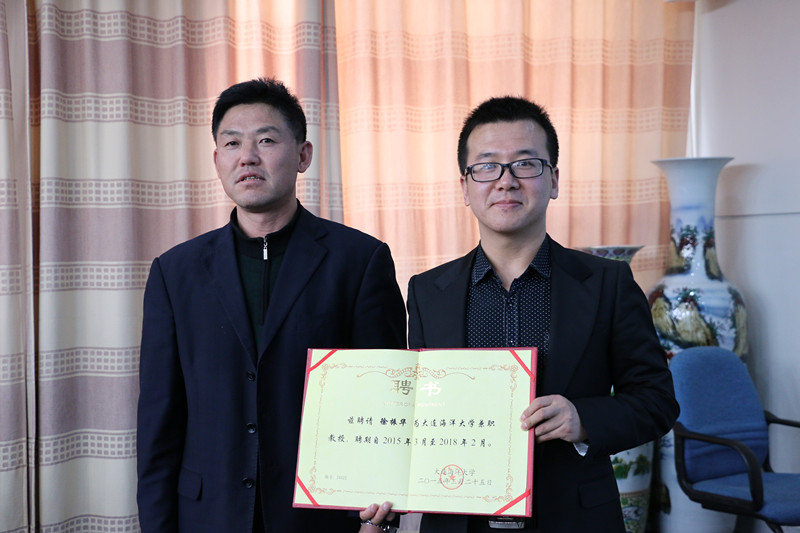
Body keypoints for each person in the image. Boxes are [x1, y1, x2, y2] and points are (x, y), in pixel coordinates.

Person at [137, 78, 405, 533]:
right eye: (232, 143)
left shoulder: (359, 261)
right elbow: (159, 421)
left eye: (265, 140)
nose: (247, 156)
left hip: (321, 520)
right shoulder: (175, 272)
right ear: (217, 160)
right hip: (207, 516)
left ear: (303, 155)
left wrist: (378, 521)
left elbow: (387, 404)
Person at [406, 96, 679, 532]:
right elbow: (418, 408)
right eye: (487, 166)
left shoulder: (607, 283)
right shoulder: (427, 291)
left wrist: (583, 419)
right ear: (465, 187)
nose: (506, 181)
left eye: (526, 164)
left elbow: (657, 401)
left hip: (574, 516)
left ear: (553, 180)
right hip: (459, 518)